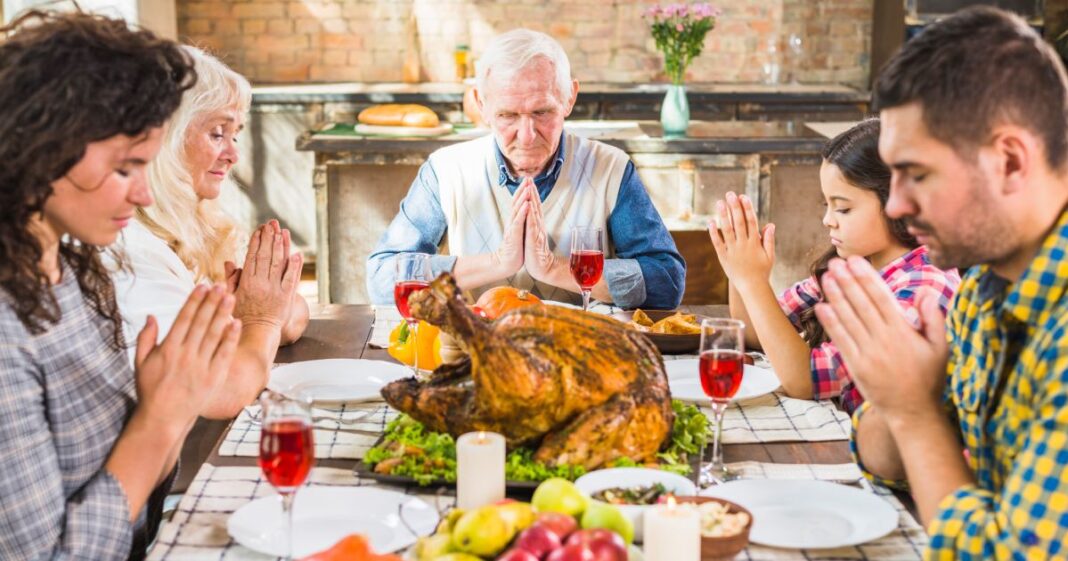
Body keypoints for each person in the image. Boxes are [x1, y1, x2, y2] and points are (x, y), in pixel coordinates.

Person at [814, 6, 1068, 556]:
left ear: (1010, 161)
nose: (897, 206)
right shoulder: (980, 291)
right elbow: (885, 463)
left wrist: (913, 411)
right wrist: (894, 394)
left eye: (918, 174)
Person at [0, 11, 241, 559]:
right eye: (124, 168)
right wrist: (159, 420)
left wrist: (168, 404)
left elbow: (134, 497)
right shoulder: (6, 331)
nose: (144, 194)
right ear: (43, 150)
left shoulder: (75, 271)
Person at [366, 29, 685, 309]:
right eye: (507, 115)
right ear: (481, 105)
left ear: (569, 98)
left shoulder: (611, 169)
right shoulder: (446, 171)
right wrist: (496, 263)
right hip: (474, 350)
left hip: (580, 348)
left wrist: (554, 268)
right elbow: (381, 279)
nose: (527, 135)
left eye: (542, 112)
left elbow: (667, 282)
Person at [708, 119, 959, 413]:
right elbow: (753, 335)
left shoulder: (924, 287)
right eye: (826, 205)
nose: (828, 220)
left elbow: (806, 381)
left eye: (843, 208)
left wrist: (753, 282)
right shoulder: (853, 264)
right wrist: (740, 270)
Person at [111, 46, 308, 417]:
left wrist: (258, 316)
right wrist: (261, 320)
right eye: (218, 134)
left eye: (235, 135)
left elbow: (294, 315)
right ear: (163, 141)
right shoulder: (130, 248)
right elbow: (222, 392)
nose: (233, 154)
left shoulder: (194, 226)